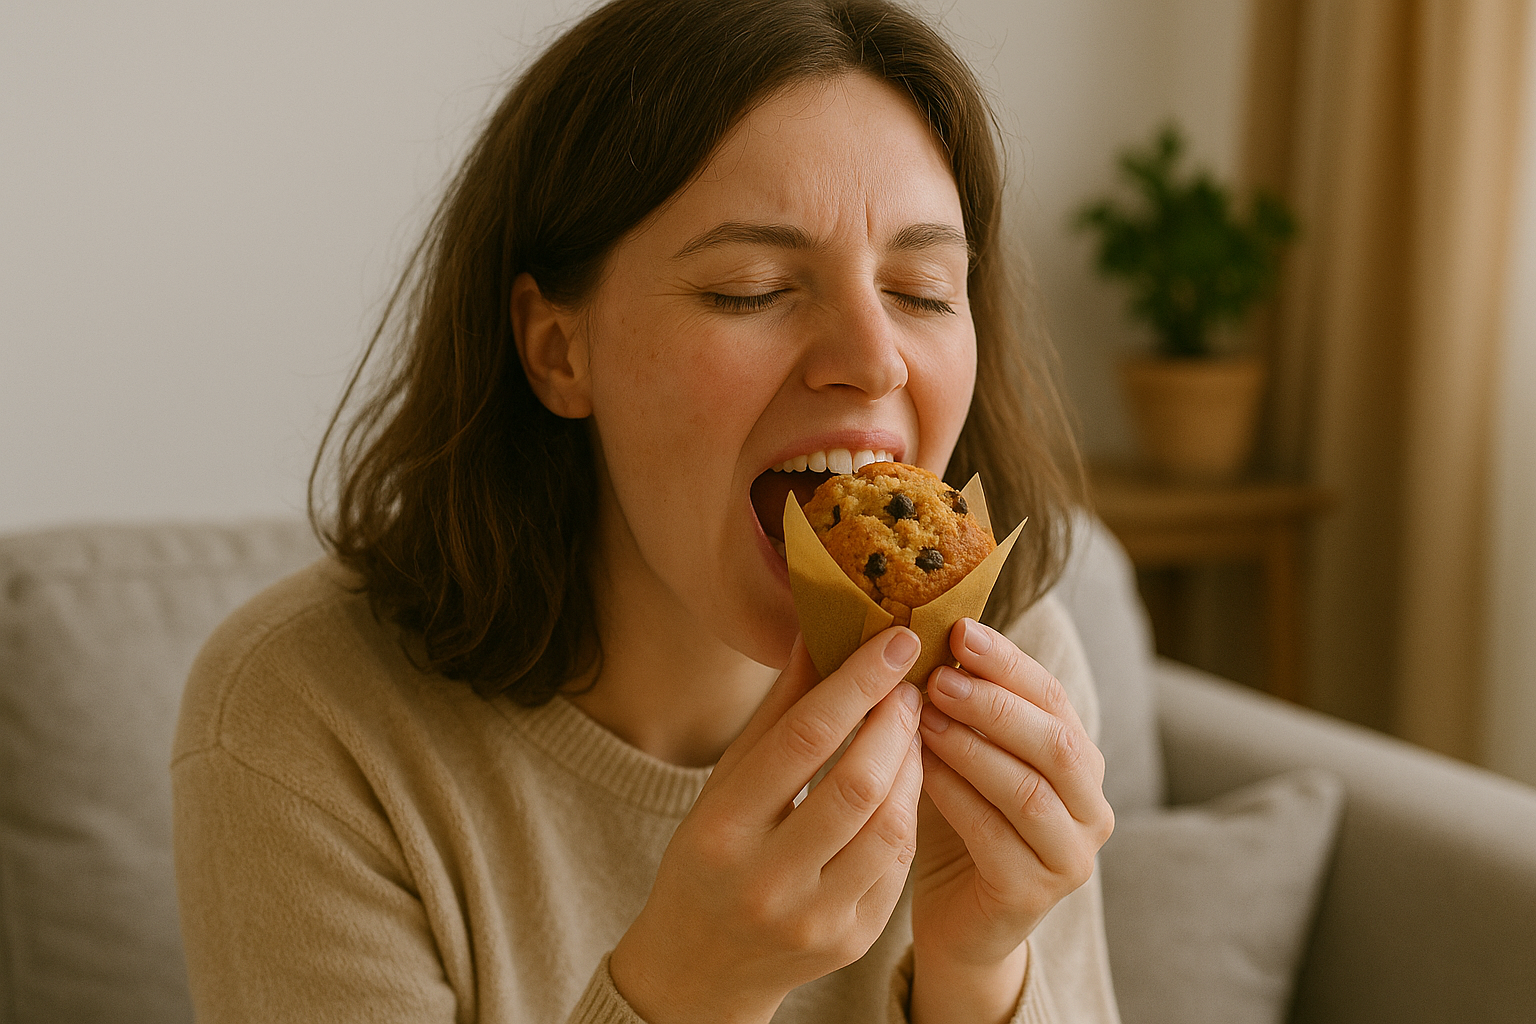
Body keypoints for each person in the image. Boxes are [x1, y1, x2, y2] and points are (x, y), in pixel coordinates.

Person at [171, 0, 1120, 1021]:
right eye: (752, 288)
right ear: (557, 350)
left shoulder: (1006, 664)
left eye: (925, 289)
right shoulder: (308, 723)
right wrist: (690, 987)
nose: (874, 355)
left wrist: (977, 973)